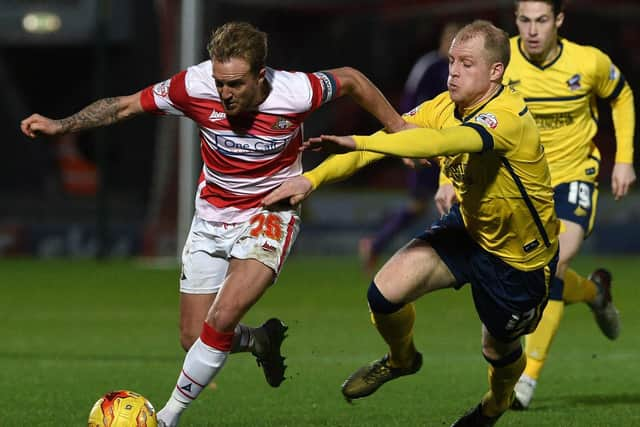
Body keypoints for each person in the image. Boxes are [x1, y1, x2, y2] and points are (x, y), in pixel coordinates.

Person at [20, 21, 406, 427]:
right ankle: (259, 339)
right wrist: (61, 125)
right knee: (194, 338)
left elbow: (352, 80)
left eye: (236, 84)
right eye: (220, 83)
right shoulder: (193, 85)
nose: (225, 94)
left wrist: (398, 129)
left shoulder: (296, 91)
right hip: (210, 219)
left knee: (220, 320)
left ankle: (166, 418)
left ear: (261, 75)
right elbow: (125, 105)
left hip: (269, 214)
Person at [264, 20, 560, 426]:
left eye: (467, 63)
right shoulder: (443, 105)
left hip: (518, 261)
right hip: (469, 230)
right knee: (384, 295)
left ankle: (497, 401)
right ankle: (402, 359)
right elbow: (394, 137)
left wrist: (363, 140)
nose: (453, 70)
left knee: (499, 351)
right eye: (452, 60)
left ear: (495, 72)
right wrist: (312, 178)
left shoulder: (508, 117)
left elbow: (439, 143)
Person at [499, 0, 634, 409]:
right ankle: (594, 292)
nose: (533, 30)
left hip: (576, 176)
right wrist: (446, 176)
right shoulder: (500, 61)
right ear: (515, 21)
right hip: (522, 183)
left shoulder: (588, 62)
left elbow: (622, 96)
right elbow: (464, 112)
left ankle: (527, 379)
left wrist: (624, 159)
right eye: (525, 20)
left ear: (559, 20)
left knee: (553, 261)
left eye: (542, 20)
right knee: (533, 273)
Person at [358, 22, 460, 275]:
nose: (451, 44)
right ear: (442, 39)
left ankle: (380, 244)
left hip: (450, 144)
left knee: (439, 201)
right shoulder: (429, 66)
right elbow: (408, 100)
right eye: (449, 38)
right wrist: (404, 138)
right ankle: (378, 244)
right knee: (422, 203)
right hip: (423, 143)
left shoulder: (460, 69)